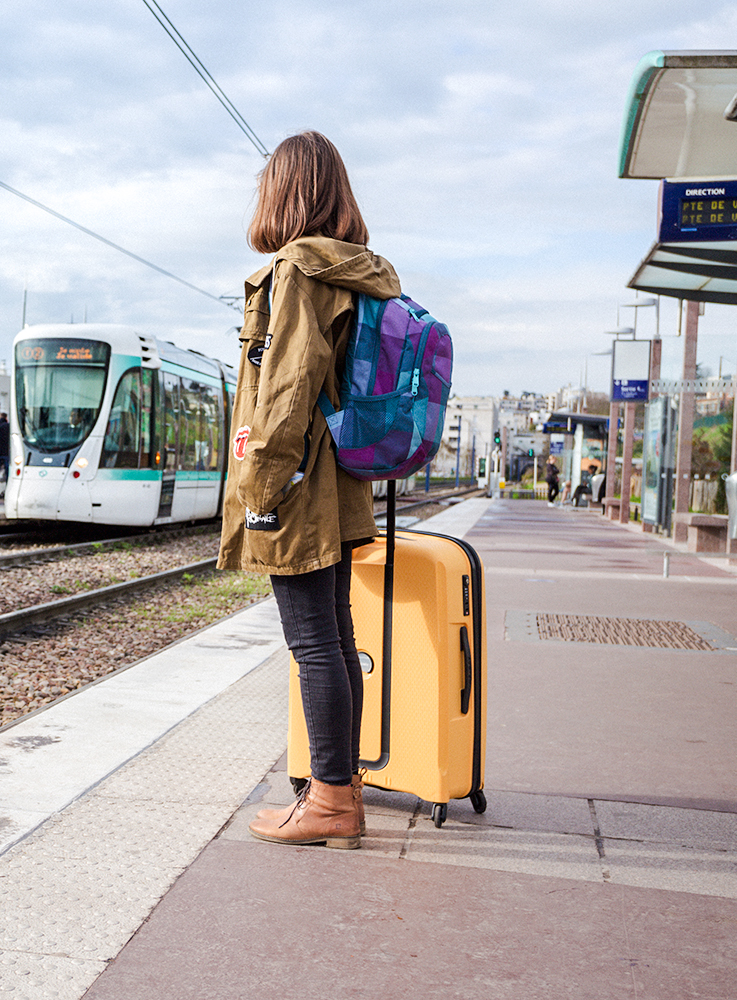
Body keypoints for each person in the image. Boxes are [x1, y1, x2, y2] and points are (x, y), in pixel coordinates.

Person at [219, 131, 399, 851]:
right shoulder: (358, 271)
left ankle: (328, 801)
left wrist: (258, 486)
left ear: (286, 191)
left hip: (297, 479)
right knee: (335, 636)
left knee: (314, 644)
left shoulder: (296, 271)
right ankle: (341, 789)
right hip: (340, 477)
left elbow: (288, 385)